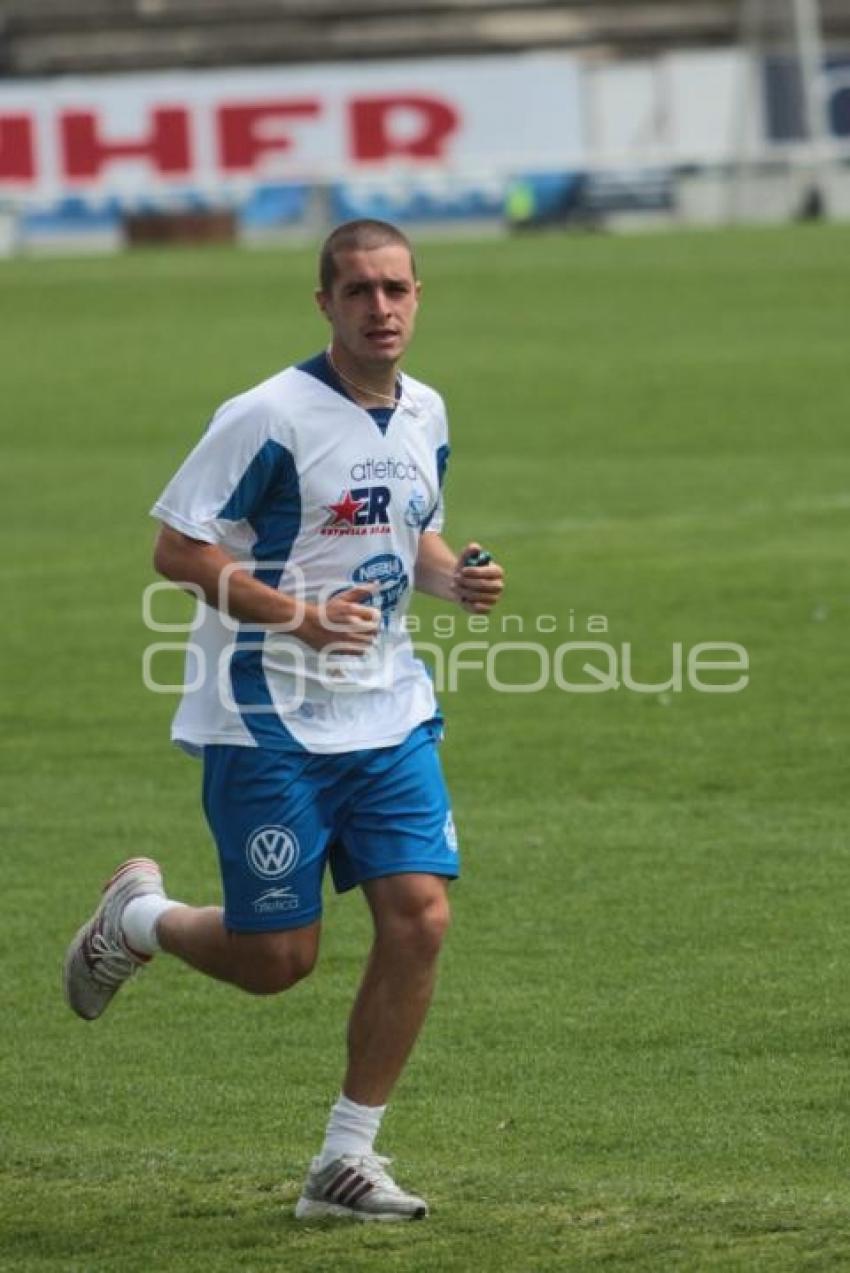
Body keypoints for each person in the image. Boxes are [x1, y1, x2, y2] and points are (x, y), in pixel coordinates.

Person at [63, 218, 504, 1222]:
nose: (380, 308)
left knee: (420, 915)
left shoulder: (426, 409)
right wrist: (298, 619)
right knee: (276, 962)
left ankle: (345, 1160)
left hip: (387, 708)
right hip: (264, 714)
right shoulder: (266, 415)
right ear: (324, 303)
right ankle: (137, 918)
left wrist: (456, 580)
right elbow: (178, 552)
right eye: (358, 291)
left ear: (418, 295)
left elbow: (411, 536)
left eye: (396, 289)